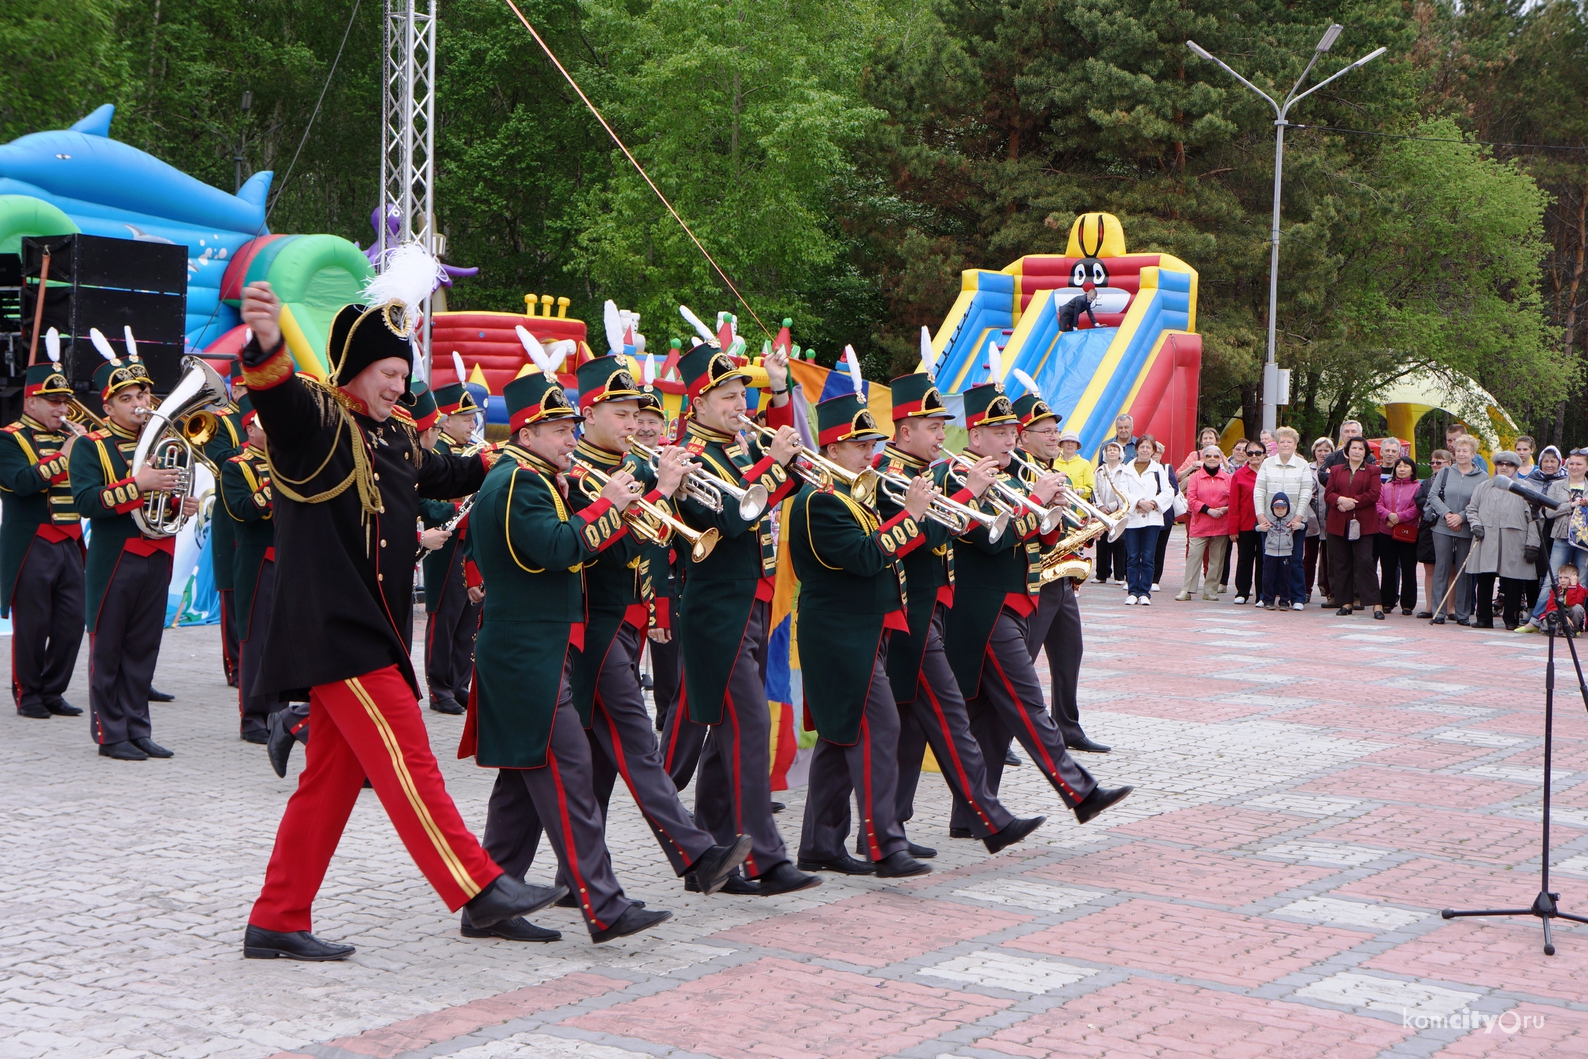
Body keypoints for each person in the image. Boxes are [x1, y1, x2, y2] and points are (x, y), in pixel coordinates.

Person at [235, 278, 564, 962]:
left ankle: (277, 915)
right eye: (389, 373)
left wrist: (501, 456)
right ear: (356, 368)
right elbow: (276, 393)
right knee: (412, 759)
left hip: (368, 627)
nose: (399, 386)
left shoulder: (390, 435)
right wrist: (265, 340)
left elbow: (438, 471)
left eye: (403, 374)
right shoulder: (317, 420)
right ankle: (480, 887)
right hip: (337, 628)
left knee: (326, 784)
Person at [559, 352, 754, 902]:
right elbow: (598, 539)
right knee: (639, 744)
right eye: (620, 414)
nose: (633, 424)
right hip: (597, 624)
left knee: (597, 766)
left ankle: (574, 878)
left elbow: (661, 543)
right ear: (588, 414)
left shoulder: (635, 464)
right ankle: (698, 853)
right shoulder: (576, 472)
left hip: (629, 623)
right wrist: (662, 490)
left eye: (635, 413)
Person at [659, 333, 820, 897]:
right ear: (697, 404)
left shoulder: (737, 450)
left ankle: (718, 853)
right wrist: (773, 467)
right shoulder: (691, 456)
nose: (738, 405)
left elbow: (787, 473)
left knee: (727, 742)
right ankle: (766, 859)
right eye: (726, 396)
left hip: (751, 603)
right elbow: (731, 516)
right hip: (718, 612)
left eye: (740, 394)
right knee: (749, 731)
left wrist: (780, 393)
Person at [939, 382, 1132, 830]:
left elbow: (1034, 539)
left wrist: (1053, 513)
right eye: (1000, 431)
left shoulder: (1008, 474)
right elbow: (988, 540)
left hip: (1014, 604)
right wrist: (1038, 506)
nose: (1010, 439)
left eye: (1011, 431)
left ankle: (970, 815)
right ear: (974, 436)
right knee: (1028, 704)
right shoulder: (958, 475)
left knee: (988, 719)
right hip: (983, 611)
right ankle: (1080, 791)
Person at [877, 372, 1040, 856]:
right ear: (906, 429)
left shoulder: (921, 473)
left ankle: (890, 829)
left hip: (931, 612)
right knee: (939, 717)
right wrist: (968, 493)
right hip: (909, 613)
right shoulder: (892, 474)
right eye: (933, 426)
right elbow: (922, 537)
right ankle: (985, 818)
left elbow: (946, 534)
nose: (940, 435)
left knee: (909, 729)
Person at [789, 391, 935, 878]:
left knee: (839, 735)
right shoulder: (818, 502)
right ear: (832, 450)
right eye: (859, 445)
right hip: (838, 635)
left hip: (863, 630)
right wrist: (910, 515)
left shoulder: (854, 496)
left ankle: (820, 845)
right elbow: (867, 557)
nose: (871, 452)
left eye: (872, 443)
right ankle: (885, 845)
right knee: (879, 729)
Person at [71, 334, 196, 760]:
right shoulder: (91, 446)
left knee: (144, 646)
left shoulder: (164, 442)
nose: (139, 403)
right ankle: (110, 733)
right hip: (116, 556)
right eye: (127, 398)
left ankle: (137, 727)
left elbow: (169, 495)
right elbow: (88, 502)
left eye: (143, 393)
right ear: (107, 406)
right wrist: (137, 485)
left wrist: (183, 503)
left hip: (158, 551)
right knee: (108, 646)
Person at [1013, 405, 1110, 754]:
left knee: (1070, 652)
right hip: (1033, 579)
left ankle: (1067, 727)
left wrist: (1082, 532)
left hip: (1061, 576)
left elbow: (1060, 523)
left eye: (1056, 431)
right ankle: (1003, 733)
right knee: (1021, 659)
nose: (1056, 437)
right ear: (1024, 437)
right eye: (1048, 432)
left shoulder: (1057, 473)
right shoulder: (1019, 473)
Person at [1, 346, 86, 719]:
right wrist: (65, 455)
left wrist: (88, 449)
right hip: (33, 541)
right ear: (30, 401)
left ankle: (54, 690)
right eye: (53, 402)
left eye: (65, 402)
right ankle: (29, 693)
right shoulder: (9, 438)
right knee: (33, 624)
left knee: (72, 621)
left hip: (70, 539)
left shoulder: (73, 440)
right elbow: (21, 483)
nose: (63, 410)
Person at [418, 376, 485, 715]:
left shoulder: (470, 452)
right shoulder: (435, 452)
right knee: (444, 616)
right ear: (445, 419)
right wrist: (455, 509)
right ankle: (438, 686)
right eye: (466, 418)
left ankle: (460, 683)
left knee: (467, 618)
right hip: (443, 543)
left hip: (470, 543)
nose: (473, 424)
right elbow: (422, 500)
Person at [220, 396, 283, 743]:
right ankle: (254, 718)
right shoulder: (236, 465)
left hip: (289, 557)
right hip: (258, 558)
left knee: (283, 640)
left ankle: (281, 712)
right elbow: (242, 510)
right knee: (255, 638)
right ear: (250, 428)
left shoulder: (292, 461)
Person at [206, 362, 249, 690]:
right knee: (234, 590)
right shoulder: (220, 421)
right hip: (232, 515)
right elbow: (219, 460)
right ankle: (236, 665)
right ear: (235, 389)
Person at [1465, 451, 1538, 630]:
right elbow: (1471, 509)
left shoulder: (1525, 487)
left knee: (1514, 580)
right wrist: (1476, 525)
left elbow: (1536, 519)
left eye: (1509, 464)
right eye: (1501, 463)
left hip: (1515, 540)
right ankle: (1483, 618)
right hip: (1487, 539)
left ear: (1515, 467)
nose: (1504, 467)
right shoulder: (1484, 486)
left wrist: (1532, 544)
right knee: (1484, 578)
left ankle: (1511, 618)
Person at [1518, 451, 1588, 634]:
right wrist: (1572, 506)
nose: (1574, 467)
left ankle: (1576, 622)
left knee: (1580, 581)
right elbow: (1549, 512)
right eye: (1571, 464)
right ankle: (1535, 620)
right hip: (1561, 537)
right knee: (1552, 578)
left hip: (1584, 540)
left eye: (1579, 464)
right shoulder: (1557, 486)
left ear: (1586, 467)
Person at [1425, 435, 1487, 625]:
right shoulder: (1444, 473)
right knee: (1441, 568)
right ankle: (1439, 612)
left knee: (1463, 570)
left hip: (1466, 528)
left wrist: (1461, 516)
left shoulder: (1483, 477)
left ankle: (1462, 613)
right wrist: (1448, 515)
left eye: (1465, 451)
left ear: (1473, 454)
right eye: (1458, 450)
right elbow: (1433, 496)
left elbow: (1480, 502)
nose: (1461, 454)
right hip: (1443, 526)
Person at [1253, 427, 1312, 611]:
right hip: (1269, 521)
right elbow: (1259, 490)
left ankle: (1297, 597)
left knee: (1294, 560)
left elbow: (1306, 492)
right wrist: (1261, 516)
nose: (1285, 444)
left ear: (1295, 444)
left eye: (1289, 442)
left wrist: (1298, 518)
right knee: (1268, 560)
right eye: (1282, 441)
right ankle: (1266, 596)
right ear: (1276, 444)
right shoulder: (1267, 463)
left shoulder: (1303, 465)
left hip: (1294, 521)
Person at [1324, 436, 1384, 618]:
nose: (1356, 451)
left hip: (1363, 523)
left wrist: (1352, 503)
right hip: (1338, 522)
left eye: (1360, 448)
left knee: (1365, 561)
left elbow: (1374, 494)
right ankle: (1346, 603)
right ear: (1347, 451)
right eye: (1353, 448)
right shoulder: (1335, 470)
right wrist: (1339, 500)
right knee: (1341, 563)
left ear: (1366, 452)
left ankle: (1376, 604)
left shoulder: (1373, 470)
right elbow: (1329, 493)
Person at [1116, 433, 1174, 605]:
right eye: (1142, 447)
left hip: (1152, 519)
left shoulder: (1159, 469)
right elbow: (1122, 493)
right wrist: (1138, 502)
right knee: (1133, 555)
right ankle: (1133, 590)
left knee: (1148, 556)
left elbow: (1168, 492)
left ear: (1153, 450)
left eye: (1149, 447)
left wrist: (1153, 503)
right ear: (1136, 449)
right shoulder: (1126, 469)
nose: (1145, 450)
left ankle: (1145, 592)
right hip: (1133, 518)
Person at [1176, 444, 1232, 601]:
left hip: (1221, 523)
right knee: (1194, 557)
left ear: (1221, 459)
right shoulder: (1194, 478)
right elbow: (1191, 499)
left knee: (1216, 559)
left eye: (1216, 456)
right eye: (1209, 456)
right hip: (1200, 523)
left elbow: (1234, 499)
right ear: (1203, 459)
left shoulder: (1228, 478)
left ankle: (1210, 591)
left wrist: (1225, 509)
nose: (1212, 459)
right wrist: (1208, 510)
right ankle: (1186, 590)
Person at [1376, 456, 1421, 616]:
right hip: (1386, 532)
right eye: (1399, 466)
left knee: (1409, 569)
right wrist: (1389, 515)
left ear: (1412, 469)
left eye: (1406, 466)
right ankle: (1387, 601)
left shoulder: (1417, 487)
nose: (1402, 469)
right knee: (1388, 568)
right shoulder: (1386, 487)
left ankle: (1408, 604)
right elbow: (1378, 505)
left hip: (1408, 532)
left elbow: (1416, 508)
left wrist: (1398, 518)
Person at [1415, 449, 1452, 618]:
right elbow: (1419, 499)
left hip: (1451, 525)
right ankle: (1430, 606)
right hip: (1429, 526)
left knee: (1451, 569)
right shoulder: (1426, 483)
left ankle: (1450, 607)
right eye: (1433, 462)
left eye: (1439, 462)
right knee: (1429, 568)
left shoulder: (1455, 481)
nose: (1435, 465)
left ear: (1449, 463)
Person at [1229, 441, 1262, 604]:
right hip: (1245, 523)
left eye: (1257, 453)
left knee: (1263, 559)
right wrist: (1233, 529)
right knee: (1245, 558)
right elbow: (1234, 504)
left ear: (1264, 453)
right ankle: (1242, 591)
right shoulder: (1239, 475)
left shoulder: (1269, 472)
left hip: (1266, 524)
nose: (1254, 456)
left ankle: (1262, 593)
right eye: (1250, 453)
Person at [1092, 440, 1129, 583]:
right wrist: (1100, 506)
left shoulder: (1125, 470)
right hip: (1102, 511)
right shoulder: (1099, 471)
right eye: (1109, 449)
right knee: (1101, 541)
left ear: (1120, 453)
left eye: (1115, 449)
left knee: (1119, 541)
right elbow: (1095, 490)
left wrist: (1114, 506)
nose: (1112, 452)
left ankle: (1120, 575)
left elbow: (1125, 490)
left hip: (1119, 511)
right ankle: (1101, 574)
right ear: (1105, 453)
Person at [1304, 438, 1334, 605]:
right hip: (1311, 519)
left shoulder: (1335, 467)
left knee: (1329, 558)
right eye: (1319, 450)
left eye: (1326, 450)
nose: (1323, 454)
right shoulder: (1307, 468)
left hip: (1329, 519)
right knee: (1309, 557)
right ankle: (1305, 590)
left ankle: (1330, 591)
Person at [1258, 494, 1298, 610]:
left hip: (1286, 552)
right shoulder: (1268, 519)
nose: (1280, 511)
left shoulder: (1291, 520)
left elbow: (1304, 527)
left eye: (1283, 508)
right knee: (1268, 577)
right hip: (1270, 552)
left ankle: (1284, 601)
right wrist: (1260, 528)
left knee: (1285, 577)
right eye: (1277, 508)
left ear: (1287, 509)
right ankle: (1268, 600)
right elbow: (1256, 527)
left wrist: (1299, 525)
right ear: (1272, 508)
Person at [1150, 440, 1178, 592]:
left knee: (1160, 548)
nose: (1155, 455)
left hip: (1164, 514)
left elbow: (1175, 489)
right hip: (1144, 513)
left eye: (1158, 452)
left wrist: (1156, 500)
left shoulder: (1167, 468)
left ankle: (1155, 579)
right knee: (1145, 548)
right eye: (1153, 452)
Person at [1539, 563, 1587, 631]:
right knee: (1547, 620)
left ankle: (1573, 629)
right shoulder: (1556, 589)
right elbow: (1550, 607)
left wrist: (1573, 587)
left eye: (1566, 577)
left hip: (1571, 616)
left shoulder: (1580, 589)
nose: (1562, 580)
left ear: (1575, 578)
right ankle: (1558, 629)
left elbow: (1571, 602)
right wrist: (1562, 616)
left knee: (1578, 608)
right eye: (1560, 577)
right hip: (1558, 615)